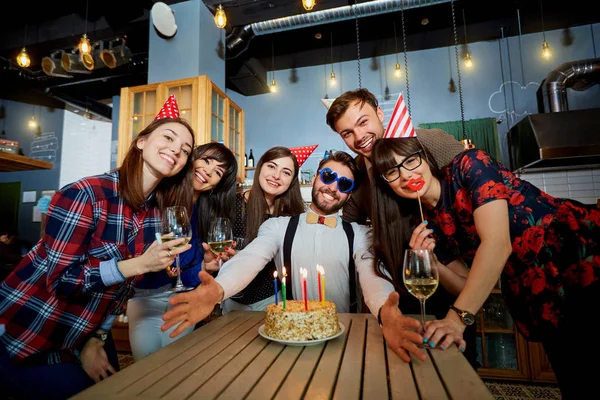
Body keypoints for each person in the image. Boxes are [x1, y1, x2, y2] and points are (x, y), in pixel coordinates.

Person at [371, 136, 599, 398]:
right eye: (392, 171)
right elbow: (464, 285)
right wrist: (433, 264)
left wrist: (456, 320)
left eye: (411, 161)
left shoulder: (470, 165)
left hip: (579, 258)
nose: (405, 174)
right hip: (537, 291)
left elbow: (498, 243)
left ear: (425, 158)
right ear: (387, 184)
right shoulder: (429, 223)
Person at [0, 95, 195, 399]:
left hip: (85, 333)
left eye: (185, 150)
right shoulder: (85, 194)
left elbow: (122, 291)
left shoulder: (155, 215)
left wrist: (97, 338)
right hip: (29, 333)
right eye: (168, 137)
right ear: (141, 142)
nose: (176, 150)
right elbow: (62, 281)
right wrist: (141, 264)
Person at [161, 151, 430, 363]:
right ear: (314, 178)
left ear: (349, 195)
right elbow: (251, 258)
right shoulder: (277, 226)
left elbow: (371, 276)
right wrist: (218, 290)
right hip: (288, 337)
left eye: (344, 183)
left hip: (342, 334)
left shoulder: (360, 234)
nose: (332, 187)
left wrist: (385, 311)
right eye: (327, 176)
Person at [325, 88, 478, 365]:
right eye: (347, 133)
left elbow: (472, 186)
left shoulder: (427, 141)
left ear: (380, 113)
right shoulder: (358, 175)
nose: (359, 137)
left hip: (449, 286)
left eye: (363, 122)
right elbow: (346, 226)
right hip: (398, 295)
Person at [126, 142, 237, 361]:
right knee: (146, 363)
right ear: (191, 159)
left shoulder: (206, 216)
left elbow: (188, 271)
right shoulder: (156, 199)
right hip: (145, 297)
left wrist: (205, 265)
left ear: (215, 186)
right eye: (206, 161)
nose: (207, 171)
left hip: (186, 297)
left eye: (217, 172)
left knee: (176, 363)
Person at [223, 146, 306, 312]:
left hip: (271, 299)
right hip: (233, 296)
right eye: (272, 166)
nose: (276, 176)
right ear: (260, 167)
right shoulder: (232, 204)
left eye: (286, 172)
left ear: (292, 181)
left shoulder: (292, 217)